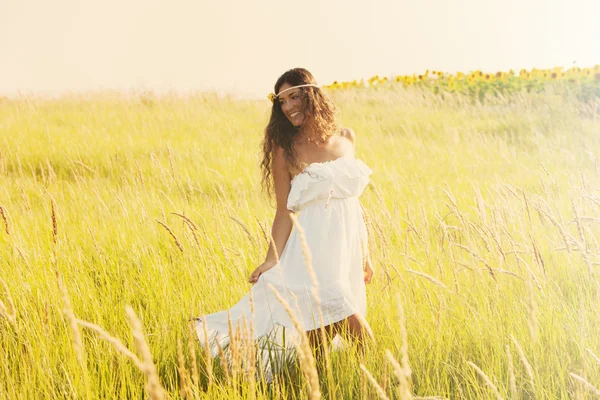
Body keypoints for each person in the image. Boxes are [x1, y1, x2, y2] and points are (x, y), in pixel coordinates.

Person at [194, 67, 374, 376]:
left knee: (318, 334)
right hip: (312, 248)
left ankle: (312, 388)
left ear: (312, 95)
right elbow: (284, 211)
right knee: (344, 314)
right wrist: (270, 260)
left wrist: (366, 255)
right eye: (281, 101)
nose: (288, 106)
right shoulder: (286, 149)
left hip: (344, 247)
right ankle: (388, 383)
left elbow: (353, 204)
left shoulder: (346, 138)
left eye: (293, 97)